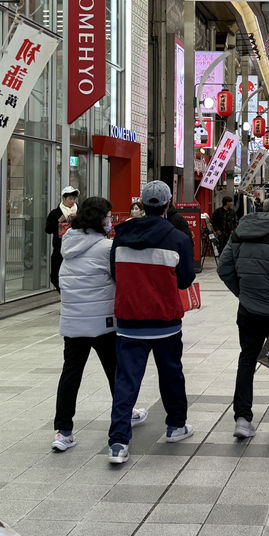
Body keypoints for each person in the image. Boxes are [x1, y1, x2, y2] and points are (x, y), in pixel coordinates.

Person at [107, 180, 195, 464]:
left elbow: (114, 273)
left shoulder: (121, 236)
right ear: (168, 205)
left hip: (129, 321)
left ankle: (118, 443)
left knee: (126, 381)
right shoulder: (178, 238)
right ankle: (175, 425)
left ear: (142, 205)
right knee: (171, 375)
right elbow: (185, 279)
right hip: (166, 322)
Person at [52, 197, 147, 452]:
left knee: (71, 375)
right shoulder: (107, 248)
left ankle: (63, 431)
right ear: (99, 220)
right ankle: (125, 413)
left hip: (73, 323)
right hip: (104, 323)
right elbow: (121, 280)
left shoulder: (68, 244)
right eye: (107, 216)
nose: (109, 221)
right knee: (116, 372)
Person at [218, 187, 269, 439]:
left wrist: (242, 293)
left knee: (247, 359)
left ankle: (242, 418)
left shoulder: (239, 232)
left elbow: (224, 268)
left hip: (248, 309)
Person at [45, 186, 79, 292]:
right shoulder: (55, 213)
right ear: (63, 198)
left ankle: (71, 295)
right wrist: (58, 222)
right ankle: (64, 293)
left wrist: (77, 219)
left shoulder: (80, 212)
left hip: (76, 248)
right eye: (70, 198)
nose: (72, 201)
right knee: (55, 276)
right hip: (59, 249)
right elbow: (48, 229)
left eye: (74, 198)